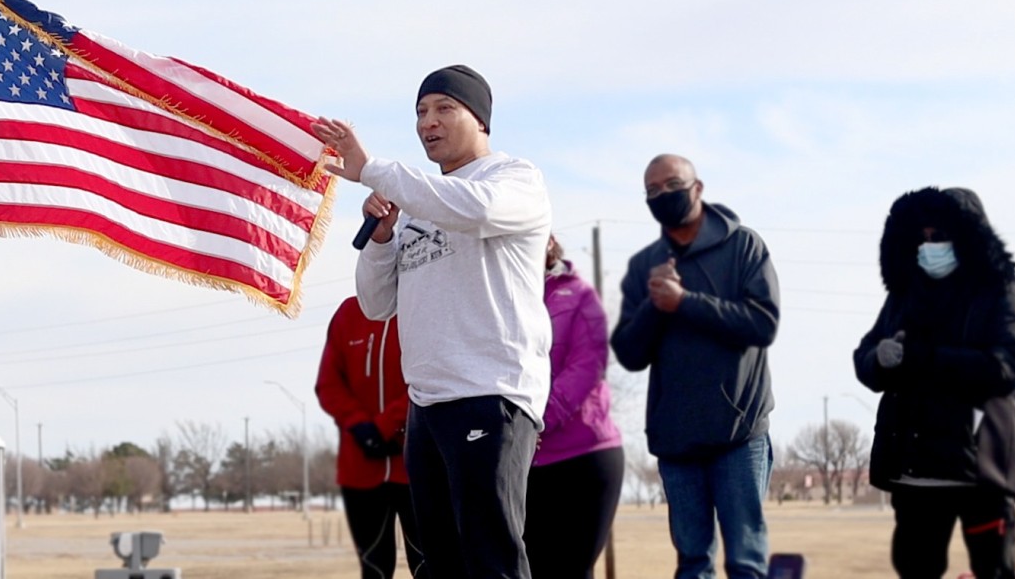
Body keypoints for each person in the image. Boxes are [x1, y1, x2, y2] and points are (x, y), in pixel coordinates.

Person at [311, 64, 552, 579]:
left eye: (445, 108)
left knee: (492, 560)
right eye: (421, 111)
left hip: (491, 392)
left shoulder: (513, 179)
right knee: (438, 564)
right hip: (427, 405)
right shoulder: (418, 203)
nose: (428, 122)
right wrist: (382, 240)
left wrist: (375, 169)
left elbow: (476, 211)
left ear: (481, 121)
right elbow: (376, 305)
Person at [610, 154, 780, 579]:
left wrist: (686, 303)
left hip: (738, 434)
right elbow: (629, 354)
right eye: (652, 191)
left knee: (746, 562)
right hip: (676, 440)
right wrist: (655, 305)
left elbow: (762, 323)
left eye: (672, 185)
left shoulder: (744, 246)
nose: (662, 195)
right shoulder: (645, 265)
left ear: (698, 188)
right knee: (692, 562)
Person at [853, 187, 1015, 579]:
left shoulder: (999, 292)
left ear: (967, 237)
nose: (929, 246)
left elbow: (1012, 361)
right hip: (915, 471)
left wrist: (928, 358)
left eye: (940, 237)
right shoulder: (903, 296)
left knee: (995, 570)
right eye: (924, 237)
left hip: (980, 469)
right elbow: (864, 358)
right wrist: (881, 359)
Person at [524, 234, 624, 579]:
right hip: (526, 464)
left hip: (585, 458)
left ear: (549, 241)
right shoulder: (503, 295)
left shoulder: (580, 295)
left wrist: (535, 421)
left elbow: (586, 367)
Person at [315, 296, 425, 578]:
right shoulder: (348, 312)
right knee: (374, 566)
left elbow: (431, 376)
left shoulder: (425, 306)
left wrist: (387, 424)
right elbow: (329, 383)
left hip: (415, 464)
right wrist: (359, 424)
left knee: (429, 564)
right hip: (359, 464)